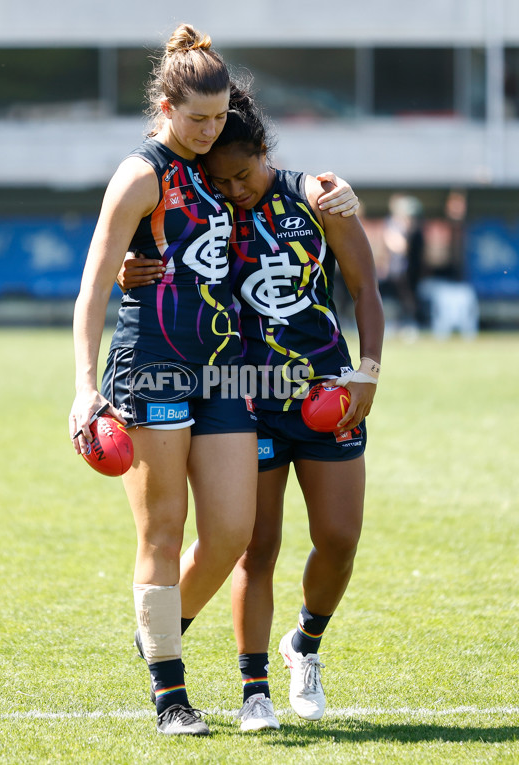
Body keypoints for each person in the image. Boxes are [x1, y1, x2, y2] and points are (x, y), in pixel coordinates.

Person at [70, 24, 358, 736]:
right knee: (164, 529)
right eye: (197, 118)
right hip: (153, 365)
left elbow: (277, 191)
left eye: (220, 116)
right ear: (164, 108)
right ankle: (171, 695)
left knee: (233, 532)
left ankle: (157, 628)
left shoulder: (218, 168)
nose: (209, 130)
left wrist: (340, 191)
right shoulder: (142, 174)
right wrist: (83, 384)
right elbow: (93, 287)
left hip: (228, 374)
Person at [119, 82, 383, 732]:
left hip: (326, 392)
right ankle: (251, 687)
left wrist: (367, 373)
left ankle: (306, 643)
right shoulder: (209, 204)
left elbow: (366, 287)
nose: (234, 189)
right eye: (222, 179)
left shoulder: (317, 197)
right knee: (254, 545)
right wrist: (135, 264)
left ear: (264, 150)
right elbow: (164, 249)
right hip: (249, 398)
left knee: (340, 541)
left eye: (242, 174)